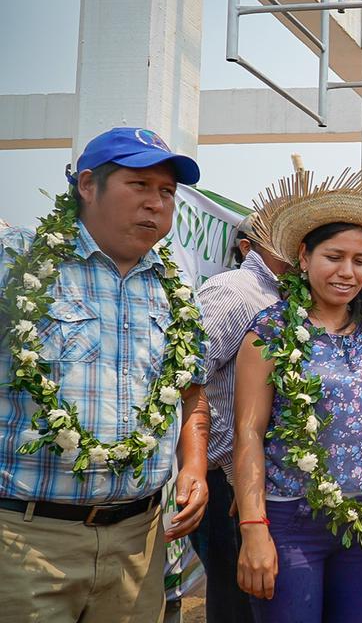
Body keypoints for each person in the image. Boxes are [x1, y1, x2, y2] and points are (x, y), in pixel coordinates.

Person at [0, 127, 210, 622]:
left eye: (166, 192)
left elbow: (192, 393)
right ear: (88, 185)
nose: (155, 203)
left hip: (138, 543)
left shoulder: (175, 290)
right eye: (139, 185)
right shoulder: (18, 263)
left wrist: (195, 467)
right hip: (26, 542)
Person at [232, 168, 362, 623]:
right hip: (288, 521)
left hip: (361, 524)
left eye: (360, 261)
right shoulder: (271, 330)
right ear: (303, 256)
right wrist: (254, 527)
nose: (347, 272)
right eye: (334, 256)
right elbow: (248, 432)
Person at [194, 212, 290, 623]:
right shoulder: (235, 291)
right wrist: (206, 466)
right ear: (255, 242)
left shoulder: (293, 294)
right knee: (238, 606)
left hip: (271, 482)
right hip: (228, 482)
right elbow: (187, 379)